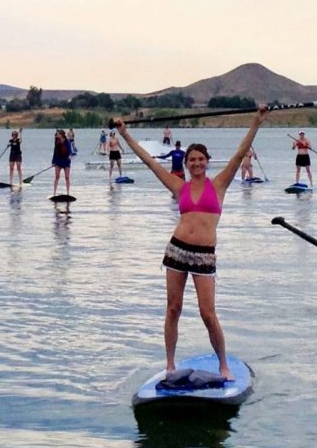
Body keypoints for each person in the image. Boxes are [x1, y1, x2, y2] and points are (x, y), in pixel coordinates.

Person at [114, 106, 269, 378]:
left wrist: (256, 122)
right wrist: (124, 134)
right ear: (186, 164)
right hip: (177, 251)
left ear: (207, 161)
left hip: (204, 255)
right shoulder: (179, 187)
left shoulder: (219, 184)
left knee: (207, 313)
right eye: (192, 160)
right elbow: (150, 162)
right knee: (173, 309)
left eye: (200, 159)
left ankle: (223, 365)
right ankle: (170, 365)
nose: (196, 163)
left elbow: (239, 153)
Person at [52, 129, 72, 196]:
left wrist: (69, 155)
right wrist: (53, 161)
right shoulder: (57, 142)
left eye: (58, 134)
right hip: (58, 160)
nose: (56, 135)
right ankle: (54, 192)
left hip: (66, 161)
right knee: (57, 177)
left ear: (61, 135)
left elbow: (70, 150)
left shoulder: (67, 142)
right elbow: (55, 152)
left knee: (67, 177)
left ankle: (68, 193)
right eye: (56, 134)